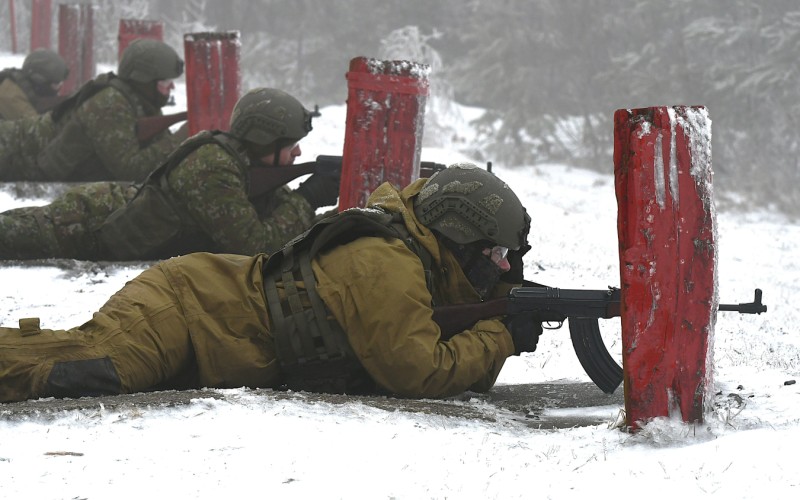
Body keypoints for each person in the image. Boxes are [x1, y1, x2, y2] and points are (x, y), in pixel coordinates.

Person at [0, 163, 541, 402]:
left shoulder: (416, 257)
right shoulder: (388, 264)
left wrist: (502, 305)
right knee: (83, 371)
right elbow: (418, 371)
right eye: (491, 254)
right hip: (187, 308)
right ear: (456, 235)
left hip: (205, 323)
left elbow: (447, 360)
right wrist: (500, 335)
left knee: (78, 360)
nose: (495, 266)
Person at [0, 87, 339, 260]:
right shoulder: (213, 168)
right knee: (9, 235)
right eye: (291, 144)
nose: (297, 153)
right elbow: (254, 246)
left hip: (111, 208)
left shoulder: (244, 161)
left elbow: (278, 218)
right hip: (88, 222)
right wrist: (307, 199)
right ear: (265, 138)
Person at [0, 39, 186, 182]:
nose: (171, 89)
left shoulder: (140, 102)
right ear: (144, 80)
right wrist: (182, 139)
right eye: (165, 83)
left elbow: (157, 145)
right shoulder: (110, 104)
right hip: (13, 151)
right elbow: (130, 170)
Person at [0, 48, 70, 120]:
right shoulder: (11, 97)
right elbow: (37, 128)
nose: (58, 89)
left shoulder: (28, 89)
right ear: (39, 81)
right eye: (55, 84)